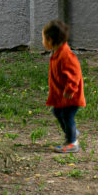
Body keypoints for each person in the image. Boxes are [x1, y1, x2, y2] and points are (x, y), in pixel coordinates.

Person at [42, 20, 85, 154]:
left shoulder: (66, 55)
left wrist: (70, 90)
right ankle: (71, 131)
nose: (42, 41)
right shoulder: (57, 53)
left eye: (43, 38)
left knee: (67, 116)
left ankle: (72, 142)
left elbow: (74, 74)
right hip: (62, 97)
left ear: (50, 40)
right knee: (57, 112)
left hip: (70, 96)